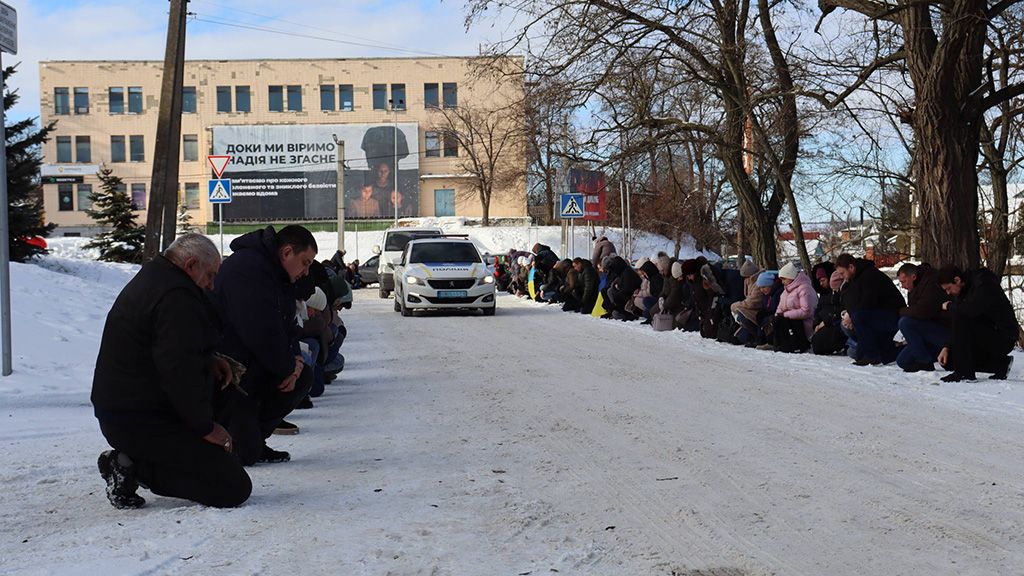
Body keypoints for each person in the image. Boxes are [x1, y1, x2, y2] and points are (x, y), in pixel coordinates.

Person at [91, 234, 251, 509]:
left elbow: (168, 348)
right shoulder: (175, 296)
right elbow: (179, 372)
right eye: (210, 275)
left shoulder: (160, 279)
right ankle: (130, 467)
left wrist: (208, 358)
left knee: (225, 393)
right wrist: (204, 428)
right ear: (190, 265)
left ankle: (142, 460)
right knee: (233, 487)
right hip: (138, 419)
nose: (212, 286)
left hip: (131, 410)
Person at [211, 225, 317, 466]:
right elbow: (260, 332)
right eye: (306, 262)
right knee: (243, 455)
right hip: (230, 372)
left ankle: (256, 439)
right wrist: (289, 366)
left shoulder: (277, 274)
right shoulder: (249, 269)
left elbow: (288, 326)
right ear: (287, 252)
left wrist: (295, 363)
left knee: (302, 377)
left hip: (253, 365)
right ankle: (244, 441)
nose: (306, 271)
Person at [936, 265, 1020, 382]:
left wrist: (950, 306)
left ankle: (965, 374)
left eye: (949, 288)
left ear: (957, 280)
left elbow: (972, 310)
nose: (948, 293)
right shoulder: (962, 291)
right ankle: (1000, 365)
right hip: (983, 334)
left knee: (961, 313)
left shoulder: (984, 283)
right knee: (948, 360)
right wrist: (947, 346)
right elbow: (958, 323)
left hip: (1003, 336)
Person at [835, 253, 906, 365]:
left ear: (851, 267)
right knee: (857, 353)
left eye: (842, 273)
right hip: (875, 316)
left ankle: (872, 355)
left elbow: (868, 302)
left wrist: (852, 315)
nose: (842, 276)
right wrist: (848, 314)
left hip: (891, 315)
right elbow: (848, 301)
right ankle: (886, 351)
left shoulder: (870, 276)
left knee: (858, 318)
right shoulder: (852, 280)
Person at [895, 263, 949, 372]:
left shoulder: (930, 283)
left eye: (904, 282)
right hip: (925, 331)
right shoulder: (913, 289)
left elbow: (922, 311)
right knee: (902, 361)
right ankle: (928, 356)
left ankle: (925, 362)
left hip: (942, 328)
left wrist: (901, 311)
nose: (903, 286)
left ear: (913, 277)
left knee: (905, 322)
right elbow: (915, 311)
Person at [771, 262, 818, 353]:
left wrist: (785, 315)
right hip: (790, 322)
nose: (782, 281)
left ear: (790, 276)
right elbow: (780, 307)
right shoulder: (786, 291)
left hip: (804, 322)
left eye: (784, 278)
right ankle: (781, 344)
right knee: (777, 320)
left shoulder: (804, 288)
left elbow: (806, 311)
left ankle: (795, 344)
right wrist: (777, 315)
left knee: (782, 320)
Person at [730, 260, 762, 346]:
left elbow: (752, 302)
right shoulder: (750, 282)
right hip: (753, 308)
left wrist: (736, 305)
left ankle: (756, 337)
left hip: (758, 310)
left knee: (741, 312)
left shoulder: (757, 284)